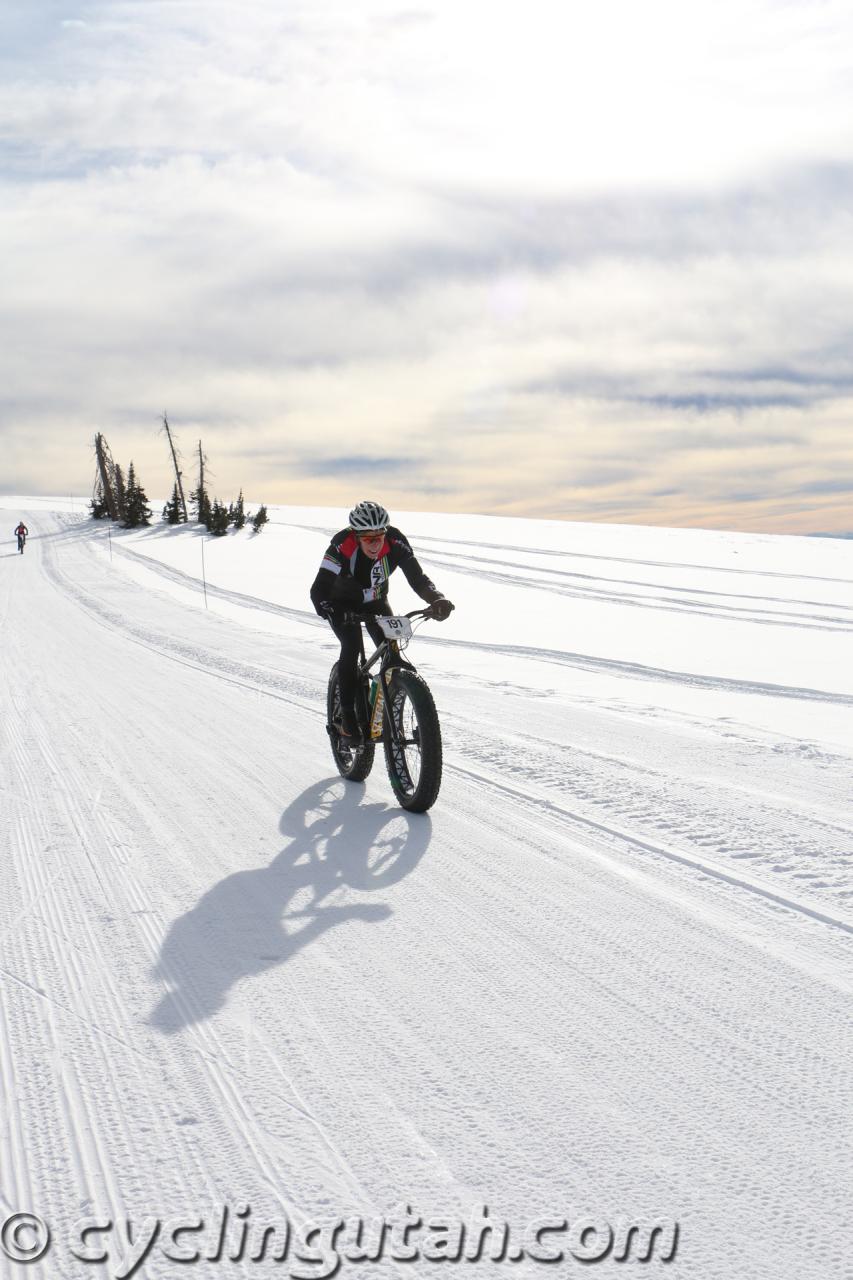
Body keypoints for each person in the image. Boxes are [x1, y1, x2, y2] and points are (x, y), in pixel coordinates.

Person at [310, 500, 455, 738]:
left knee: (391, 648)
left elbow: (418, 578)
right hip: (342, 603)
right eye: (368, 538)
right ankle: (347, 716)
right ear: (356, 537)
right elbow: (318, 589)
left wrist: (436, 599)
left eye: (379, 536)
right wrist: (331, 609)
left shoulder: (396, 541)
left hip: (377, 601)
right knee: (352, 645)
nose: (375, 544)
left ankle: (390, 701)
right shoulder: (341, 545)